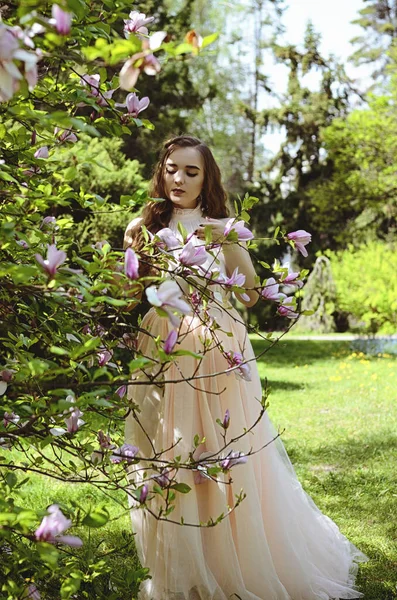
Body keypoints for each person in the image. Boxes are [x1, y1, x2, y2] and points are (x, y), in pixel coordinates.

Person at [123, 135, 367, 600]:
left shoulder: (224, 226)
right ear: (161, 171)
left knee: (219, 451)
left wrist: (229, 245)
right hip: (161, 343)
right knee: (166, 453)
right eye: (172, 168)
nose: (179, 178)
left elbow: (250, 295)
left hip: (216, 345)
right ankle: (180, 566)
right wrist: (131, 251)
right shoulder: (144, 226)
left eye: (191, 172)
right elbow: (131, 292)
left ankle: (228, 559)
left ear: (206, 178)